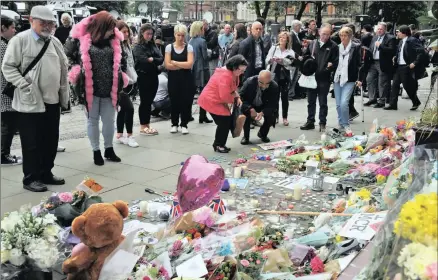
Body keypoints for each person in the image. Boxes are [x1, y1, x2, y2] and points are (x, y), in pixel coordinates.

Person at [2, 6, 69, 191]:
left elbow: (63, 66)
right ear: (32, 20)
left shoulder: (54, 41)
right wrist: (24, 84)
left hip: (52, 100)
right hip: (29, 101)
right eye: (43, 22)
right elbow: (8, 67)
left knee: (50, 140)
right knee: (31, 143)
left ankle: (46, 172)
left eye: (50, 23)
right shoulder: (20, 40)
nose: (47, 26)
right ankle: (30, 178)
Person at [64, 11, 128, 166]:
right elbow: (67, 55)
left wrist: (121, 74)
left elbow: (122, 59)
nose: (111, 31)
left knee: (109, 121)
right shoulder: (82, 38)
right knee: (92, 121)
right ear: (101, 26)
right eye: (108, 28)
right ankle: (96, 151)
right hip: (89, 88)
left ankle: (109, 148)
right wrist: (76, 71)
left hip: (109, 88)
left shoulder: (114, 40)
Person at [198, 55, 248, 153]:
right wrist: (233, 102)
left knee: (225, 121)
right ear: (234, 67)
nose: (242, 73)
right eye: (241, 70)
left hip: (216, 100)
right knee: (224, 122)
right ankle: (218, 145)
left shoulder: (231, 73)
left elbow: (232, 89)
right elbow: (224, 96)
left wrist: (237, 97)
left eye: (243, 71)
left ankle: (220, 144)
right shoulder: (225, 76)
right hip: (212, 100)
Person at [299, 24, 339, 132]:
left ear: (330, 34)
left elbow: (335, 62)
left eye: (327, 34)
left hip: (324, 78)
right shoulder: (313, 43)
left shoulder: (333, 46)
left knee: (323, 102)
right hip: (312, 77)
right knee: (311, 101)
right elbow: (306, 57)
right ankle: (310, 121)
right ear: (319, 33)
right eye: (323, 34)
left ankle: (322, 122)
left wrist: (329, 68)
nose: (324, 36)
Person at [133, 23, 163, 136]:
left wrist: (152, 59)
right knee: (145, 102)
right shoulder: (138, 47)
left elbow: (160, 58)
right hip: (143, 76)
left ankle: (147, 124)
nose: (150, 36)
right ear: (142, 33)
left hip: (153, 76)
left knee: (149, 101)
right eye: (147, 34)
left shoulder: (153, 45)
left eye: (151, 34)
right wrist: (151, 60)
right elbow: (143, 59)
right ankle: (143, 125)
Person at [385, 25, 425, 111]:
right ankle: (393, 104)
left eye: (399, 32)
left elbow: (421, 52)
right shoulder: (401, 41)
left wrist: (415, 63)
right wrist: (395, 57)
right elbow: (400, 52)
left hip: (406, 67)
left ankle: (416, 101)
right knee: (395, 85)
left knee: (407, 86)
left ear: (404, 32)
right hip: (399, 66)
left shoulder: (412, 40)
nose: (397, 33)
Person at [164, 24, 195, 134]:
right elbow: (167, 65)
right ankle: (174, 123)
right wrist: (182, 65)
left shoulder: (189, 47)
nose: (181, 38)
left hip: (186, 78)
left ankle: (184, 124)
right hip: (173, 79)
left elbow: (190, 64)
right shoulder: (169, 47)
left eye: (183, 35)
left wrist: (176, 63)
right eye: (178, 35)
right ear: (174, 35)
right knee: (174, 100)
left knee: (185, 101)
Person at [333, 27, 362, 135]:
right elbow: (334, 61)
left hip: (349, 79)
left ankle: (346, 124)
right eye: (341, 35)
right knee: (338, 105)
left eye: (345, 35)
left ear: (350, 36)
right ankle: (340, 123)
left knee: (344, 103)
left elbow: (360, 64)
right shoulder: (337, 47)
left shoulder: (355, 47)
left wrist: (360, 79)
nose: (342, 38)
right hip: (337, 78)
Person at [1, 15, 21, 166]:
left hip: (4, 90)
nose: (14, 30)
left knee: (7, 123)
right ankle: (3, 155)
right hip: (5, 91)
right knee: (8, 124)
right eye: (12, 27)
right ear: (3, 28)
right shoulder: (3, 46)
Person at [115, 20, 138, 148]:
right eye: (124, 32)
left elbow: (130, 63)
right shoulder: (117, 46)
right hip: (120, 81)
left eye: (127, 31)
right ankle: (129, 135)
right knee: (129, 108)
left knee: (123, 109)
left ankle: (119, 134)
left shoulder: (127, 45)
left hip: (129, 79)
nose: (127, 34)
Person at [240, 70, 279, 145]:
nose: (264, 86)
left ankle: (263, 134)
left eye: (267, 83)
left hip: (264, 105)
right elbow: (241, 97)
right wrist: (250, 108)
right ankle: (246, 137)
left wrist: (263, 112)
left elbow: (273, 104)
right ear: (258, 79)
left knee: (271, 115)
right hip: (250, 103)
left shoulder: (274, 86)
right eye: (261, 83)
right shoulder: (249, 82)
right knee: (246, 114)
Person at [265, 31, 295, 126]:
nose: (282, 39)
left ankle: (285, 117)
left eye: (284, 38)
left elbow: (292, 66)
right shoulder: (274, 48)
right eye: (280, 37)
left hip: (285, 75)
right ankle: (276, 116)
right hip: (275, 73)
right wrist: (271, 60)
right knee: (275, 96)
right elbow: (267, 60)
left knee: (285, 97)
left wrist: (283, 61)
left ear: (287, 40)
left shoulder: (290, 51)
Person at [364, 22, 397, 108]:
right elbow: (371, 48)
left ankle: (381, 101)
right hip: (373, 62)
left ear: (385, 30)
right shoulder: (374, 37)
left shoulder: (391, 38)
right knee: (369, 79)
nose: (379, 31)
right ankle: (372, 98)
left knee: (382, 82)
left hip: (383, 63)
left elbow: (392, 50)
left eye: (381, 29)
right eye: (378, 29)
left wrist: (381, 46)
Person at [189, 21, 212, 124]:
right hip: (203, 69)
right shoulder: (202, 41)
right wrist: (211, 53)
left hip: (193, 69)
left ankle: (188, 115)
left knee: (191, 93)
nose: (204, 30)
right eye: (203, 28)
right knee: (204, 93)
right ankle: (202, 116)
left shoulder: (190, 41)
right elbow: (205, 57)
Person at [289, 20, 304, 101]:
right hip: (293, 60)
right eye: (299, 26)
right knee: (292, 77)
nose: (300, 28)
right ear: (295, 26)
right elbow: (290, 48)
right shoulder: (291, 35)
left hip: (296, 60)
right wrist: (297, 56)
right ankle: (289, 94)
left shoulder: (296, 35)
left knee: (295, 78)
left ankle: (292, 93)